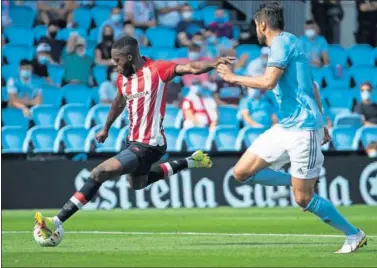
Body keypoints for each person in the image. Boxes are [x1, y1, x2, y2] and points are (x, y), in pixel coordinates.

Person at [34, 36, 234, 246]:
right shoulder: (123, 78)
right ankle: (190, 161)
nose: (115, 65)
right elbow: (119, 102)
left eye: (118, 60)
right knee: (137, 183)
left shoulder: (157, 70)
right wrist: (106, 128)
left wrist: (213, 63)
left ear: (130, 57)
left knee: (98, 173)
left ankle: (55, 221)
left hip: (150, 144)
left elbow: (191, 67)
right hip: (133, 142)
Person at [216, 2, 366, 254]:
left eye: (256, 25)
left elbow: (267, 81)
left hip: (302, 129)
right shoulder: (289, 42)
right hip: (286, 126)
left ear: (262, 24)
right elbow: (313, 86)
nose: (256, 30)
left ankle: (354, 234)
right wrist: (323, 120)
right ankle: (295, 180)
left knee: (303, 199)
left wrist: (232, 77)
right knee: (241, 172)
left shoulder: (282, 44)